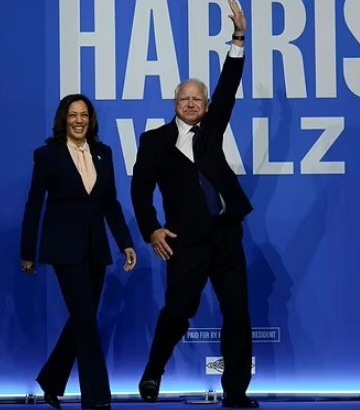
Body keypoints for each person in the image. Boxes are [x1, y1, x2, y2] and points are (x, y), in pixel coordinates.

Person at [131, 1, 258, 408]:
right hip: (184, 242)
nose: (190, 103)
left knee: (237, 313)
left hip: (225, 236)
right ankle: (153, 371)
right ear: (175, 103)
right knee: (177, 311)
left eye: (197, 98)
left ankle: (235, 393)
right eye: (184, 98)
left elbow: (228, 86)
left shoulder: (211, 131)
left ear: (205, 105)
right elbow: (140, 190)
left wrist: (238, 38)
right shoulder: (154, 141)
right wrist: (151, 229)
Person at [20, 94, 137, 410]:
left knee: (82, 319)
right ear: (64, 118)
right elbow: (34, 204)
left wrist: (125, 242)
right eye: (73, 115)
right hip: (64, 249)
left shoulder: (103, 153)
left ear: (91, 119)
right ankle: (97, 398)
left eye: (84, 115)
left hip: (96, 249)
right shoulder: (48, 155)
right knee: (85, 321)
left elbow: (110, 203)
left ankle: (51, 379)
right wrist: (27, 251)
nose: (79, 120)